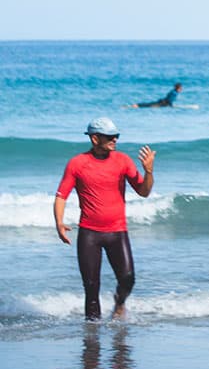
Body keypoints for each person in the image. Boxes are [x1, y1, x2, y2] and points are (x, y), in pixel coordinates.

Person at [54, 117, 156, 320]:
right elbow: (61, 196)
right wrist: (59, 223)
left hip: (117, 231)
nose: (114, 140)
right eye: (110, 137)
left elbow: (144, 192)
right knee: (91, 288)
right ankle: (92, 338)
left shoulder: (123, 161)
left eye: (116, 136)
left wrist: (148, 171)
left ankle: (119, 305)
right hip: (89, 234)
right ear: (95, 138)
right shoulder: (77, 163)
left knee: (128, 279)